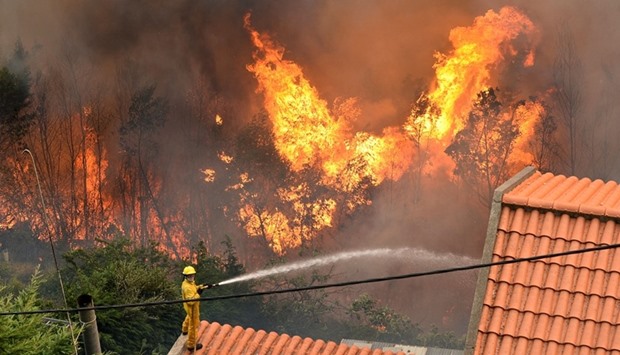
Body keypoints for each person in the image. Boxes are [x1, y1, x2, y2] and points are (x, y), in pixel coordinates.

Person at [181, 265, 211, 352]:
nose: (191, 277)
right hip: (192, 308)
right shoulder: (187, 287)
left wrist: (203, 286)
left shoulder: (188, 283)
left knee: (188, 317)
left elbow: (194, 289)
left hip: (189, 308)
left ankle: (184, 330)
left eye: (192, 275)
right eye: (189, 276)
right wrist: (199, 294)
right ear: (186, 276)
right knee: (193, 325)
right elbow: (191, 301)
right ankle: (191, 345)